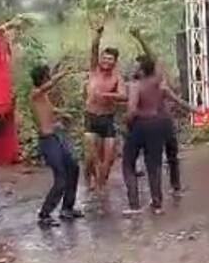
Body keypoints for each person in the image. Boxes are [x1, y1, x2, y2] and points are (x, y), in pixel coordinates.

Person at [130, 27, 196, 198]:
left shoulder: (154, 83)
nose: (136, 68)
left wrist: (140, 39)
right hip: (160, 123)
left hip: (161, 122)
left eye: (139, 65)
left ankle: (168, 189)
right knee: (164, 156)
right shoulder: (144, 84)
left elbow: (175, 99)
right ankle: (169, 189)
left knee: (166, 156)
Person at [28, 63, 83, 228]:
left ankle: (67, 208)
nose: (50, 77)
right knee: (61, 178)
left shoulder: (43, 96)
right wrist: (63, 74)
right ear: (43, 77)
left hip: (56, 137)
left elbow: (49, 110)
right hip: (47, 140)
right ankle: (45, 214)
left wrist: (63, 113)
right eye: (48, 75)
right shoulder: (34, 94)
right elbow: (47, 87)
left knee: (73, 168)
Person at [122, 55, 169, 215]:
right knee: (154, 165)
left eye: (136, 66)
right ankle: (157, 204)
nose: (133, 69)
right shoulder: (157, 83)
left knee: (128, 164)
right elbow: (159, 65)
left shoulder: (136, 85)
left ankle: (134, 205)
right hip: (156, 124)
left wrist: (127, 121)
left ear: (141, 70)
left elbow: (132, 109)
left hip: (140, 125)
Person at [84, 18, 127, 195]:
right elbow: (94, 49)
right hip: (91, 117)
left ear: (115, 62)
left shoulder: (117, 78)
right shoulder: (94, 70)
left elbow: (124, 96)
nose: (107, 61)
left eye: (111, 59)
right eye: (105, 58)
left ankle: (101, 185)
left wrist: (107, 95)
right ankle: (91, 180)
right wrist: (98, 33)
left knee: (108, 159)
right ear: (100, 59)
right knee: (92, 156)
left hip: (107, 119)